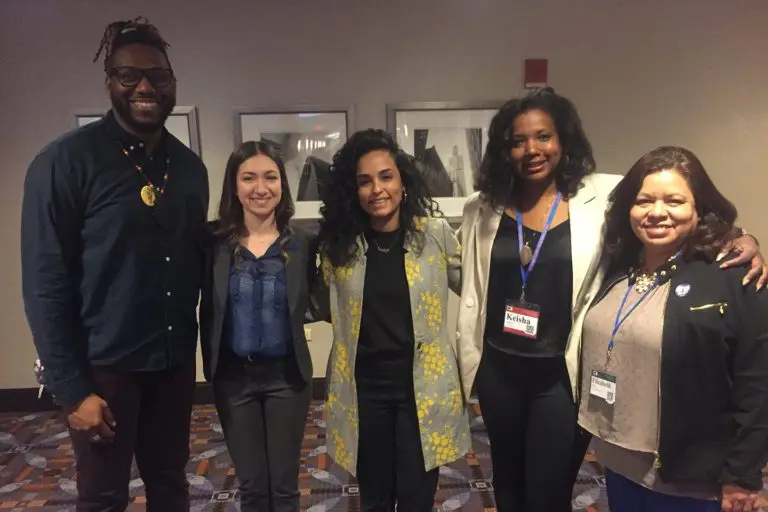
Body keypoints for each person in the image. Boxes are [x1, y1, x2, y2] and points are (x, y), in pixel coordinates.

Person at [454, 87, 767, 512]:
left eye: (543, 136)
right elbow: (463, 272)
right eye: (517, 140)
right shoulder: (482, 207)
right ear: (503, 150)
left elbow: (669, 209)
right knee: (506, 480)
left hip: (562, 374)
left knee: (548, 490)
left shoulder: (603, 196)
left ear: (563, 139)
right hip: (499, 369)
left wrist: (741, 237)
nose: (532, 149)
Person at [20, 17, 209, 512]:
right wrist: (71, 390)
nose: (145, 86)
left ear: (172, 84)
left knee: (170, 485)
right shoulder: (64, 163)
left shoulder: (190, 169)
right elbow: (45, 285)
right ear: (110, 82)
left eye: (158, 76)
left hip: (172, 364)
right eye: (130, 76)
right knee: (103, 496)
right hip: (103, 370)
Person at [577, 146, 768, 511]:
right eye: (644, 200)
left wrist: (742, 474)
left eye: (675, 201)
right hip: (619, 462)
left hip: (690, 478)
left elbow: (758, 383)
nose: (657, 213)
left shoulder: (733, 276)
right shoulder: (619, 265)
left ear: (699, 209)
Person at [311, 129, 470, 511]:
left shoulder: (434, 236)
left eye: (386, 176)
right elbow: (326, 305)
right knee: (375, 499)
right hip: (364, 391)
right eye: (364, 181)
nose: (376, 189)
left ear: (402, 181)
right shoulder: (341, 246)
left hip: (422, 388)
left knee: (417, 498)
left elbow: (475, 287)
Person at [199, 141, 315, 512]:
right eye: (248, 178)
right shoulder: (212, 242)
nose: (260, 188)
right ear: (234, 186)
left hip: (287, 378)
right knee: (251, 487)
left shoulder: (304, 242)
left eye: (270, 177)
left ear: (283, 184)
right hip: (233, 379)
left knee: (283, 488)